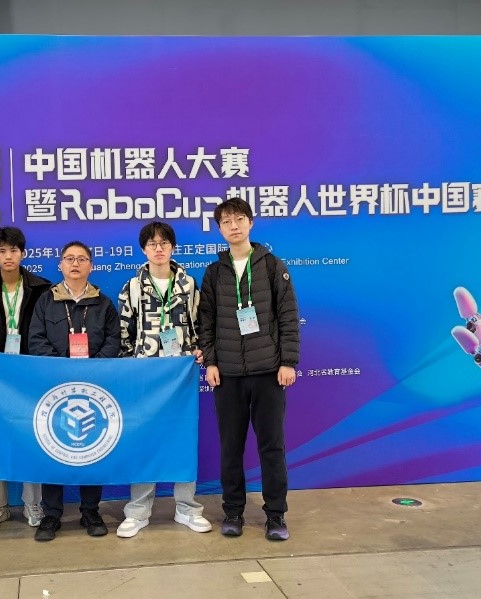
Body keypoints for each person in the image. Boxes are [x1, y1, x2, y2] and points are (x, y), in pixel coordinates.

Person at [198, 197, 300, 541]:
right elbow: (206, 321)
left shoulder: (271, 265)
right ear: (219, 228)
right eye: (226, 222)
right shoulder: (215, 272)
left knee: (272, 446)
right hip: (227, 375)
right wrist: (211, 361)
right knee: (231, 447)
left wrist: (288, 362)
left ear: (251, 223)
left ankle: (276, 515)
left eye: (239, 219)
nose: (234, 226)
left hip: (268, 371)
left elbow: (288, 316)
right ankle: (233, 512)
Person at [116, 222, 212, 538]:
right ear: (143, 249)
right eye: (152, 243)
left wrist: (200, 349)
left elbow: (199, 325)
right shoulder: (132, 287)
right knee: (144, 440)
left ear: (172, 247)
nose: (158, 248)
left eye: (164, 243)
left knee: (183, 438)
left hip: (180, 375)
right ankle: (138, 511)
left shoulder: (188, 284)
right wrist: (131, 369)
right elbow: (124, 334)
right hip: (145, 377)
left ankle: (187, 508)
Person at [28, 241, 120, 541]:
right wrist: (61, 369)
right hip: (56, 388)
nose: (75, 264)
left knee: (91, 447)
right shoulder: (46, 301)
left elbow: (113, 340)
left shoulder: (103, 303)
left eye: (81, 259)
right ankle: (51, 514)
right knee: (53, 448)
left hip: (94, 388)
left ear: (91, 265)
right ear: (60, 265)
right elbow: (36, 339)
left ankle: (90, 511)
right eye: (69, 259)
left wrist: (95, 368)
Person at [0, 227, 50, 531]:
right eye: (2, 251)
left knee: (33, 437)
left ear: (23, 253)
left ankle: (33, 502)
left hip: (30, 376)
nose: (8, 256)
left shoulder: (41, 288)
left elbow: (45, 332)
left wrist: (28, 367)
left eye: (13, 250)